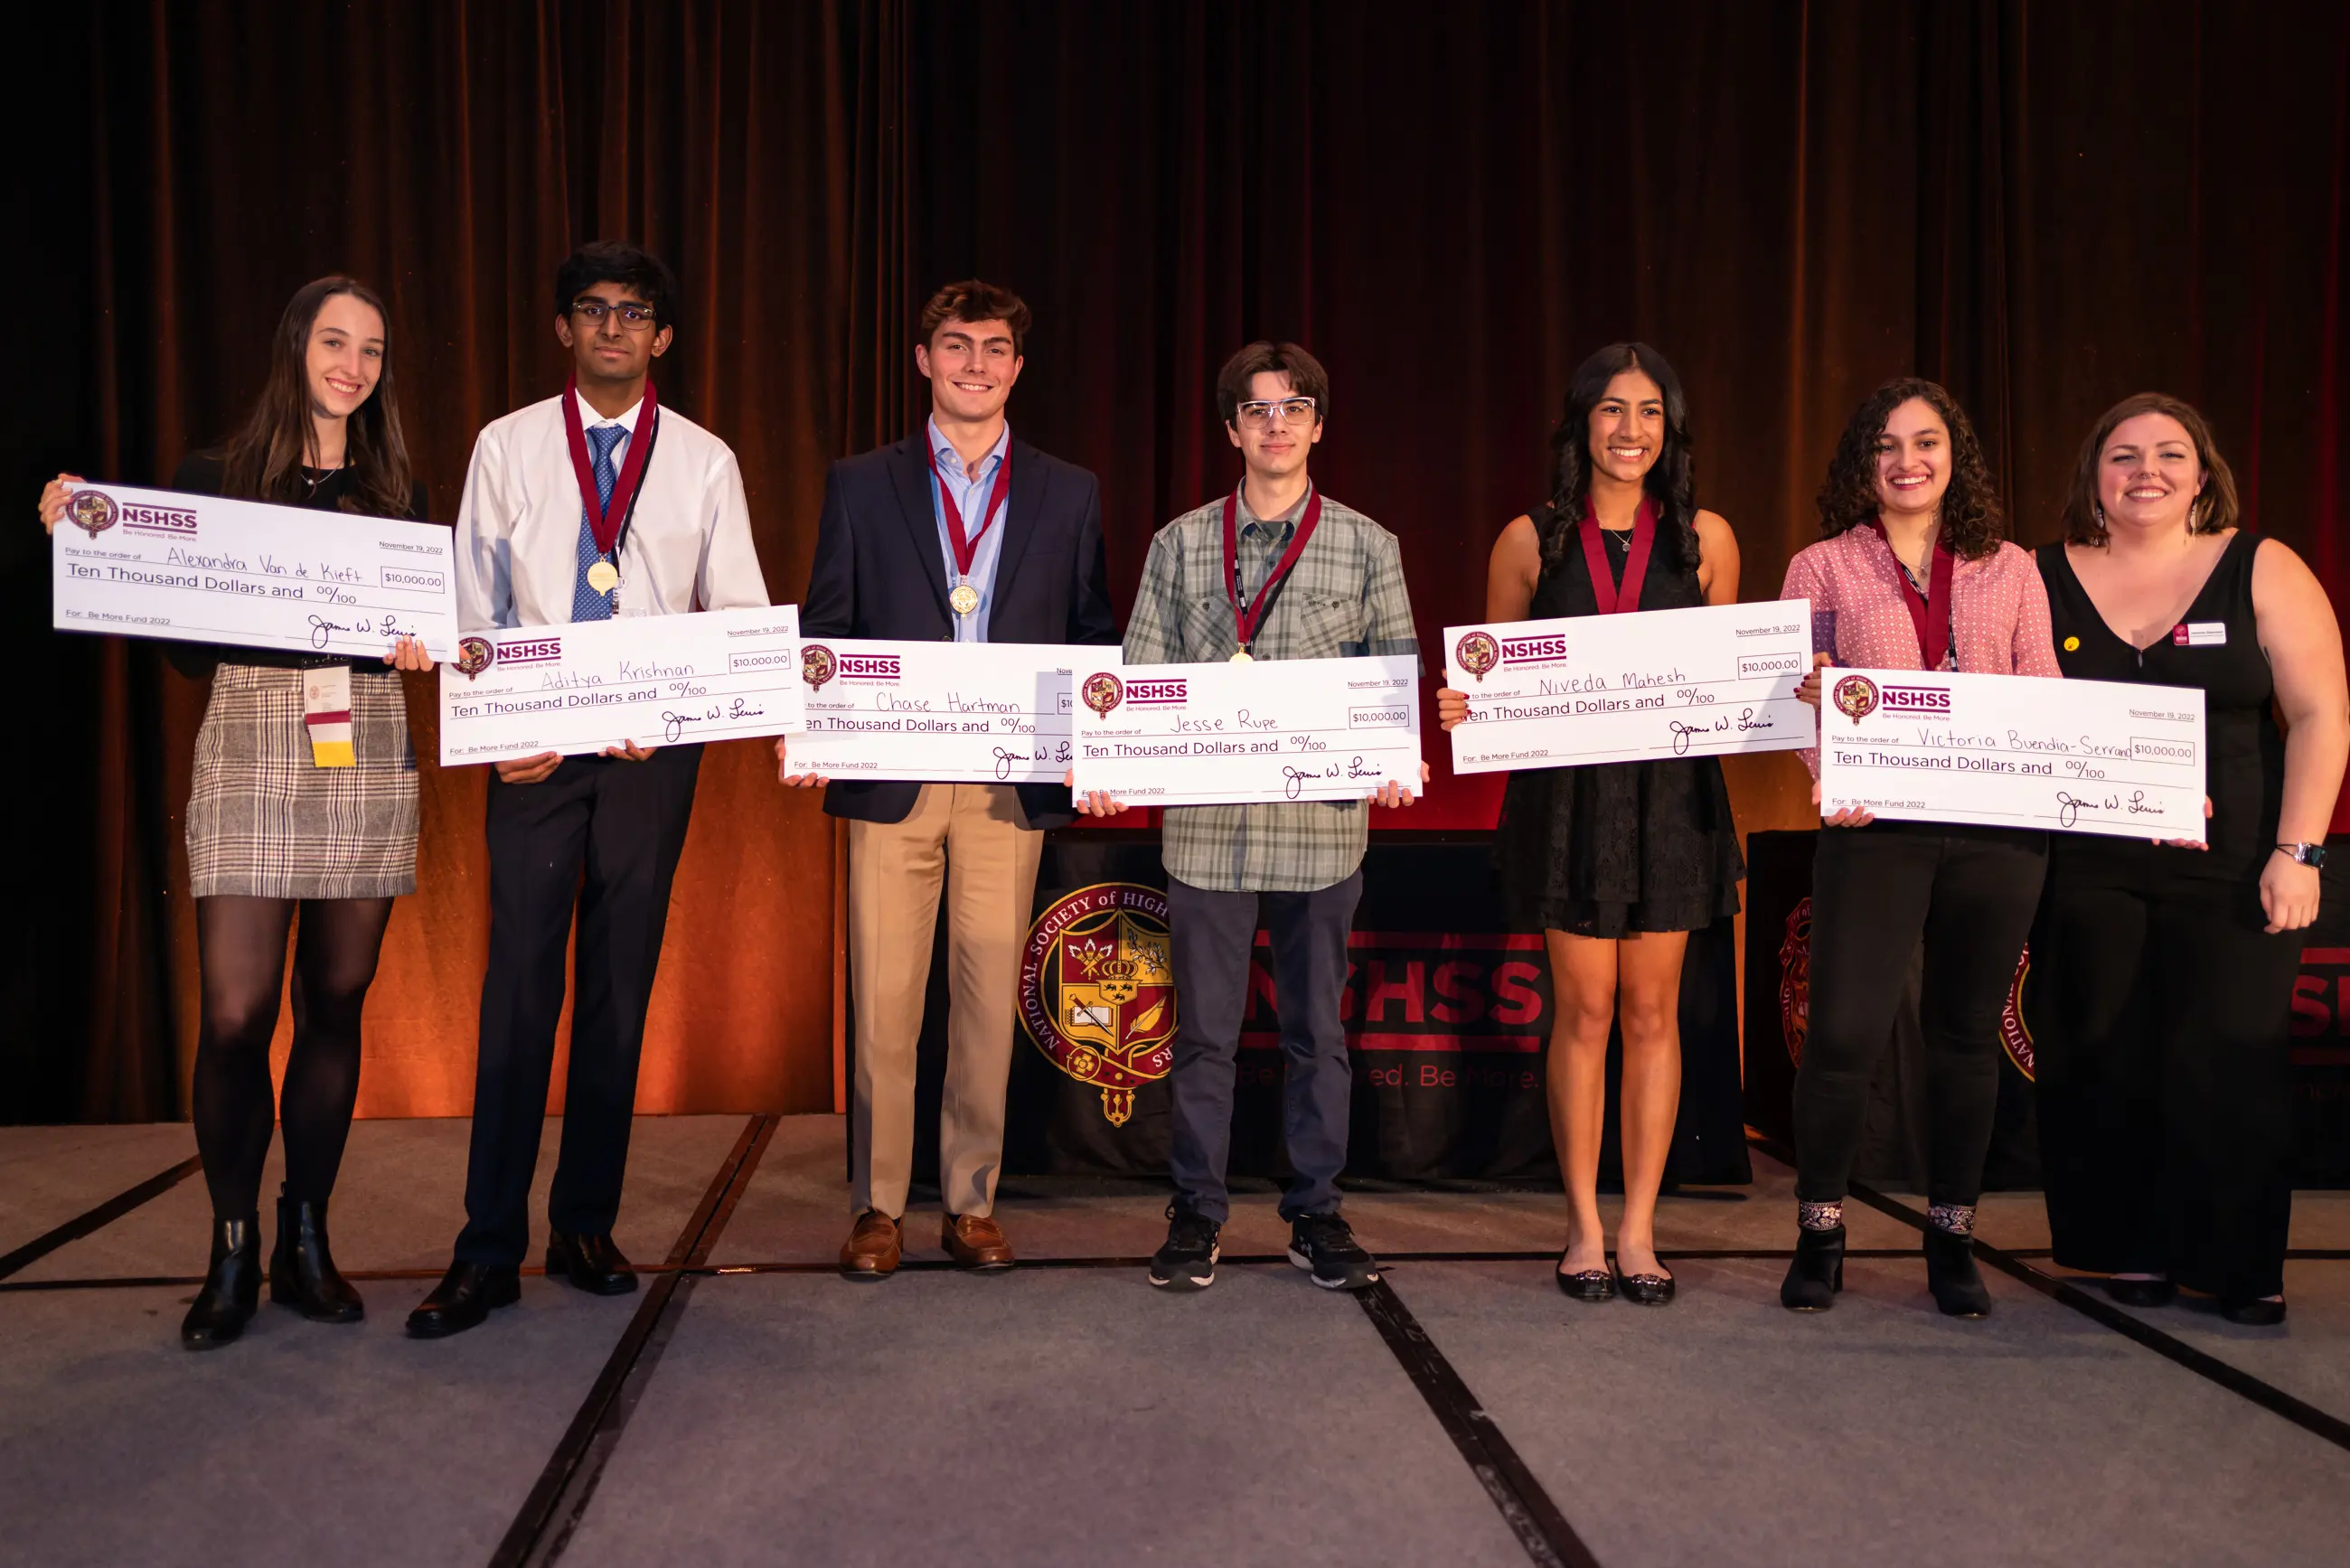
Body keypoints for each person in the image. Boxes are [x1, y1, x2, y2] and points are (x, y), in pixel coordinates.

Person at [39, 277, 434, 1348]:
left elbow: (418, 630)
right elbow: (181, 652)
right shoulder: (212, 479)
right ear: (294, 346)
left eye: (372, 349)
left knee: (336, 1000)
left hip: (360, 735)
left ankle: (305, 1233)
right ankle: (231, 1243)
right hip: (252, 737)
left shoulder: (396, 495)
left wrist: (418, 645)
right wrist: (86, 531)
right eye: (334, 341)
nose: (352, 365)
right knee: (234, 1013)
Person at [408, 241, 768, 1338]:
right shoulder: (507, 444)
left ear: (663, 337)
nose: (614, 326)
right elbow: (471, 608)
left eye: (634, 311)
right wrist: (496, 730)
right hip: (535, 751)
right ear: (564, 328)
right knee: (518, 988)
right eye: (593, 309)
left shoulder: (704, 460)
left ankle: (584, 1225)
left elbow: (737, 616)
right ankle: (486, 1248)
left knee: (620, 986)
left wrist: (678, 710)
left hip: (651, 756)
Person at [780, 279, 1115, 1280]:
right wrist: (811, 721)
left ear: (1018, 367)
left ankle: (971, 1202)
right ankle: (877, 1205)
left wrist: (1096, 746)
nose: (976, 364)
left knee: (984, 1001)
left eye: (995, 348)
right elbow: (827, 625)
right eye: (958, 345)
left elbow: (1090, 631)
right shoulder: (860, 482)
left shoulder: (1069, 490)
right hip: (895, 778)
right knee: (884, 1000)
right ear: (924, 360)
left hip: (1010, 782)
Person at [1076, 341, 1425, 1293]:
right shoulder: (1180, 544)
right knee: (1202, 1038)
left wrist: (1395, 759)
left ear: (1319, 425)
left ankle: (1316, 1212)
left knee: (1318, 1034)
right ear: (1231, 429)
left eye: (1294, 407)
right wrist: (1107, 763)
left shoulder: (1368, 544)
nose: (1276, 424)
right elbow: (1136, 678)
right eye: (1257, 410)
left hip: (1321, 832)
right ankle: (1197, 1212)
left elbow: (1394, 676)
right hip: (1207, 831)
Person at [1433, 343, 1743, 1307]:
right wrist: (1465, 705)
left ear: (1670, 428)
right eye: (1611, 409)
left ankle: (1639, 1228)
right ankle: (1581, 1227)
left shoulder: (1707, 539)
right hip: (1566, 803)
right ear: (1580, 423)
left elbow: (1722, 681)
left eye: (1648, 411)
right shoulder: (1527, 540)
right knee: (1586, 1012)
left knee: (1652, 1013)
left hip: (1670, 802)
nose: (1629, 430)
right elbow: (1490, 681)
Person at [2030, 393, 2347, 1326]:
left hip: (2237, 862)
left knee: (2228, 1058)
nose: (2146, 472)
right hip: (2086, 864)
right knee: (2100, 1050)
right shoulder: (2037, 575)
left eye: (2169, 454)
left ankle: (2238, 1265)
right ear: (2092, 476)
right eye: (2122, 455)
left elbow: (2321, 714)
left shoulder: (2260, 566)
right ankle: (2123, 1249)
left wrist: (2298, 851)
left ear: (2202, 475)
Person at [1778, 377, 2060, 1318]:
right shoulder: (1821, 565)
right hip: (1873, 829)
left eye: (1926, 442)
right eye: (1886, 445)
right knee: (1843, 1033)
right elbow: (1798, 692)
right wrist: (1830, 770)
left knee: (1964, 1036)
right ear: (1862, 464)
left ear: (1954, 456)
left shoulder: (2009, 567)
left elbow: (2041, 687)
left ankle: (1951, 1236)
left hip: (1995, 834)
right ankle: (1820, 1230)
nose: (1907, 462)